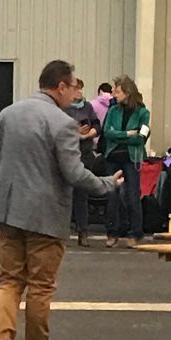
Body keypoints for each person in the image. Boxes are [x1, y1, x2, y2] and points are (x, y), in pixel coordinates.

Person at [0, 60, 123, 340]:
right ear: (61, 86)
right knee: (41, 289)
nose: (75, 93)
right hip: (45, 216)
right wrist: (107, 184)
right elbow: (74, 174)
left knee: (9, 282)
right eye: (74, 87)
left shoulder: (8, 113)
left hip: (7, 210)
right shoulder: (62, 123)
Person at [101, 75, 150, 249]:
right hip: (113, 157)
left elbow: (141, 138)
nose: (114, 94)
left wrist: (119, 136)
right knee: (112, 196)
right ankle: (112, 232)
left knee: (132, 196)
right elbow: (106, 132)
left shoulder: (143, 113)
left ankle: (135, 233)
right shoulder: (113, 110)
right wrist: (127, 134)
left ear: (127, 92)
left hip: (132, 158)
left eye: (117, 91)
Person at [63, 78, 100, 247]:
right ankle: (62, 231)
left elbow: (98, 125)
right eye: (76, 89)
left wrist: (90, 132)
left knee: (82, 193)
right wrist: (75, 132)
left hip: (85, 153)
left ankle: (83, 231)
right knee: (65, 193)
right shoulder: (63, 107)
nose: (79, 92)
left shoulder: (88, 107)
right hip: (68, 153)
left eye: (81, 89)